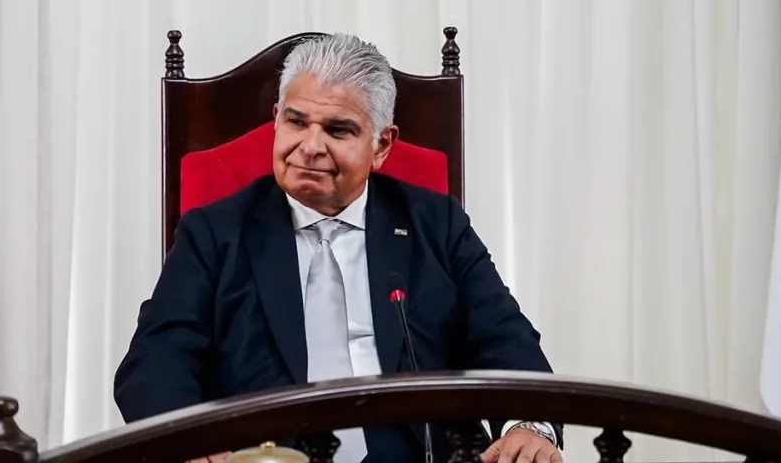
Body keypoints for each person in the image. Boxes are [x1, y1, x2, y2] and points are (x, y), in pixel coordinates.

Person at [114, 34, 563, 463]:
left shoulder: (435, 224)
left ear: (381, 145)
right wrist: (187, 440)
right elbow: (156, 362)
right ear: (276, 119)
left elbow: (506, 339)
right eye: (295, 121)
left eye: (338, 129)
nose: (310, 147)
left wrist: (528, 426)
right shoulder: (215, 232)